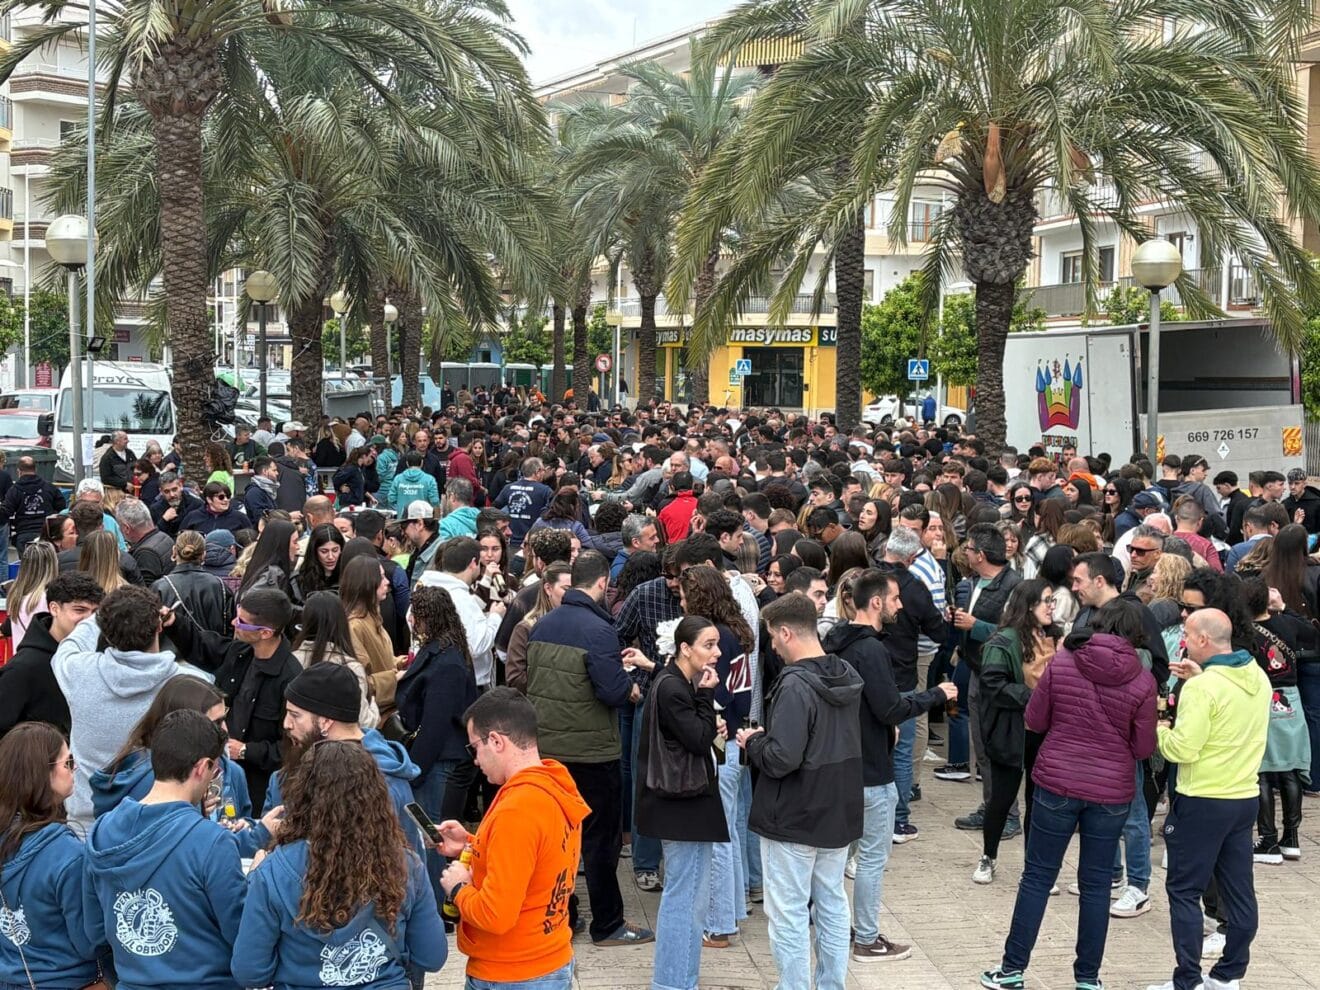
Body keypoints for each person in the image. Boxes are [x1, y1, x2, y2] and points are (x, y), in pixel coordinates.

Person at [981, 602, 1157, 990]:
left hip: (1057, 782)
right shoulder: (1143, 681)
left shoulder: (1062, 664)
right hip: (1111, 791)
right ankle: (1088, 978)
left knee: (1038, 877)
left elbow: (1035, 719)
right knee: (1096, 886)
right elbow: (1144, 747)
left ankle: (1012, 970)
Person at [232, 739, 447, 990]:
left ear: (303, 798)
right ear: (376, 797)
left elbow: (250, 971)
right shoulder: (405, 865)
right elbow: (431, 957)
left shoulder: (272, 872)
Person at [822, 569, 955, 962]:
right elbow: (890, 707)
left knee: (835, 857)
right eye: (895, 599)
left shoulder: (835, 644)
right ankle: (866, 937)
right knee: (871, 860)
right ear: (876, 602)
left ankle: (833, 925)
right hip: (871, 771)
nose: (900, 605)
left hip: (842, 765)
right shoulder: (871, 650)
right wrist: (934, 694)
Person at [525, 550, 653, 947]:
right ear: (601, 584)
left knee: (559, 840)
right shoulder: (599, 631)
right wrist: (632, 686)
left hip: (547, 748)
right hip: (593, 752)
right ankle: (609, 924)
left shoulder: (542, 625)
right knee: (600, 840)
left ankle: (564, 916)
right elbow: (612, 691)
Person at [735, 591, 863, 990]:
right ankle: (830, 984)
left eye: (773, 638)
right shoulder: (844, 673)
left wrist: (752, 742)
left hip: (794, 812)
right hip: (837, 808)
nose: (772, 647)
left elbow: (781, 758)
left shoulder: (795, 685)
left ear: (786, 632)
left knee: (788, 911)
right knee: (832, 902)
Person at [1147, 608, 1271, 990]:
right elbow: (1227, 699)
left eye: (1187, 634)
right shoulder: (1257, 676)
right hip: (1243, 797)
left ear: (1202, 640)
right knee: (1239, 890)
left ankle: (1188, 980)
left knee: (1184, 890)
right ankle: (1229, 974)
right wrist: (1203, 678)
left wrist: (1157, 728)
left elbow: (1182, 748)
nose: (1183, 641)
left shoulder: (1203, 689)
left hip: (1201, 799)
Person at [432, 688, 589, 989]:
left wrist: (458, 889)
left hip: (512, 973)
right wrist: (471, 844)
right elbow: (535, 857)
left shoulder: (517, 809)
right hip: (550, 957)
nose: (475, 760)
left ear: (496, 741)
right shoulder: (554, 785)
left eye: (473, 748)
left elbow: (495, 915)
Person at [84, 710, 245, 989]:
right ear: (201, 767)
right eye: (215, 771)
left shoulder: (102, 831)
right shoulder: (211, 842)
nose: (213, 779)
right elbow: (241, 935)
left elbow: (95, 931)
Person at [636, 615, 729, 990]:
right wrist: (707, 701)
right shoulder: (675, 686)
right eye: (709, 645)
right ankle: (673, 983)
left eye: (716, 643)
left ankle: (681, 980)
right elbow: (696, 737)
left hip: (684, 804)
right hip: (680, 805)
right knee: (684, 897)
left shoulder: (676, 681)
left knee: (692, 898)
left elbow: (698, 732)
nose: (717, 652)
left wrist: (706, 715)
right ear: (685, 649)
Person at [51, 585, 188, 830]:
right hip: (157, 823)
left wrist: (100, 617)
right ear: (159, 625)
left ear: (106, 632)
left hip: (87, 820)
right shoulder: (187, 685)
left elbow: (69, 645)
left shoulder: (79, 672)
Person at [163, 587, 302, 813]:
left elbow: (293, 746)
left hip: (258, 789)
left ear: (266, 632)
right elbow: (204, 646)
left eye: (242, 622)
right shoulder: (241, 651)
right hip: (221, 776)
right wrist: (174, 622)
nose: (234, 623)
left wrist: (247, 750)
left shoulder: (291, 679)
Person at [276, 664, 426, 863]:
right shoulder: (307, 760)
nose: (286, 724)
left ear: (325, 722)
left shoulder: (378, 784)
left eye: (295, 715)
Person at [0, 722, 104, 989]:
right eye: (67, 762)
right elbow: (87, 943)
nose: (75, 768)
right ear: (41, 774)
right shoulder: (67, 855)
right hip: (71, 980)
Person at [395, 584, 480, 902]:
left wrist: (414, 770)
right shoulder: (445, 652)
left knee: (431, 837)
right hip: (440, 759)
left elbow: (435, 726)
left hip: (440, 762)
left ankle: (436, 903)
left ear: (424, 619)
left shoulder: (446, 664)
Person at [974, 578, 1060, 886]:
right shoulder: (1004, 640)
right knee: (1001, 799)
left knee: (1038, 803)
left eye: (1053, 601)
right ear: (1029, 605)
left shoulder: (1055, 638)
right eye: (1047, 601)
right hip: (1011, 732)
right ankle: (988, 856)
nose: (1052, 607)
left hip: (1044, 733)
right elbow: (993, 685)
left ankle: (1033, 868)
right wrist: (1036, 698)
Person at [952, 523, 1024, 834]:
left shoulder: (1015, 588)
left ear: (980, 554)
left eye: (968, 549)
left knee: (999, 747)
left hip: (999, 678)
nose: (964, 553)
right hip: (976, 669)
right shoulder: (974, 582)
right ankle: (992, 804)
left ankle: (1008, 813)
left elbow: (1017, 635)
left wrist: (976, 626)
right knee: (980, 745)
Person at [417, 537, 505, 690]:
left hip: (429, 671)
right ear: (473, 563)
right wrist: (495, 617)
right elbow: (476, 645)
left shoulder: (425, 586)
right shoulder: (460, 598)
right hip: (463, 681)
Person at [292, 590, 378, 730]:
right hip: (339, 748)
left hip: (298, 743)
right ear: (341, 623)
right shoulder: (350, 668)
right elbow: (364, 722)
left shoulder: (292, 660)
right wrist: (372, 702)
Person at [341, 554, 404, 719]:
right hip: (377, 716)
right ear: (367, 584)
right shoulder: (354, 626)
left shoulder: (372, 617)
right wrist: (395, 677)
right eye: (382, 577)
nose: (387, 582)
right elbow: (360, 682)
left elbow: (381, 661)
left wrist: (400, 662)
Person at [0, 455, 66, 554]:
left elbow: (6, 512)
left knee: (28, 567)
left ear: (19, 471)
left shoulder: (14, 491)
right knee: (48, 565)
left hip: (24, 534)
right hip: (45, 533)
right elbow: (61, 506)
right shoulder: (49, 487)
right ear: (36, 469)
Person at [7, 540, 59, 647]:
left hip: (20, 657)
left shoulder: (15, 597)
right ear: (52, 565)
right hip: (43, 659)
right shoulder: (47, 599)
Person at [115, 497, 176, 585]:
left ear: (126, 528)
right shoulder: (165, 537)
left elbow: (146, 592)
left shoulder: (145, 553)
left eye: (119, 527)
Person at [180, 481, 249, 536]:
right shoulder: (193, 517)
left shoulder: (240, 518)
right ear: (209, 499)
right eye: (221, 497)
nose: (226, 500)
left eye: (228, 496)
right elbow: (181, 540)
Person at [293, 523, 345, 597]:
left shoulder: (348, 577)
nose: (330, 557)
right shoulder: (298, 581)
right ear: (314, 551)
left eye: (335, 550)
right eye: (324, 551)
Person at [149, 470, 202, 538]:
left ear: (180, 486)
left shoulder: (195, 504)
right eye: (167, 491)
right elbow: (152, 536)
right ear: (161, 491)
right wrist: (164, 520)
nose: (172, 495)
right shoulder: (155, 509)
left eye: (174, 489)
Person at [242, 456, 281, 526]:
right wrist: (287, 516)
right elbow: (261, 518)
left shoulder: (267, 490)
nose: (277, 473)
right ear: (265, 471)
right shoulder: (254, 493)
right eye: (274, 470)